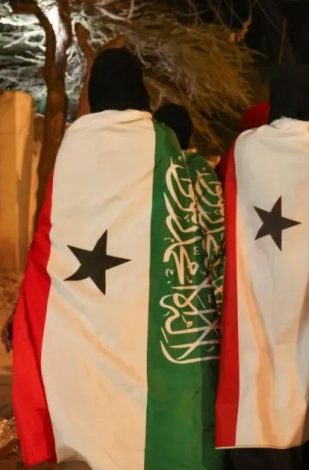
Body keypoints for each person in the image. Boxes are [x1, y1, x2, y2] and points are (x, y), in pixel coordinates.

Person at [11, 48, 223, 469]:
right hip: (140, 302)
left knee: (89, 397)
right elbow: (179, 230)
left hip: (82, 300)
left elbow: (52, 234)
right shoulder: (160, 140)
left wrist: (29, 308)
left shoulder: (75, 142)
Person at [215, 63, 309, 470]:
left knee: (253, 399)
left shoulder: (242, 149)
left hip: (248, 307)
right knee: (299, 408)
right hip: (307, 315)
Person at [153, 103, 225, 304]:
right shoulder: (200, 171)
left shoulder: (148, 171)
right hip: (196, 289)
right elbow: (215, 232)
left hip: (154, 283)